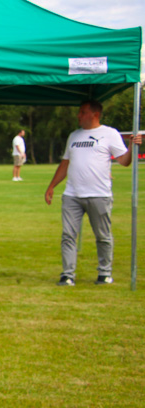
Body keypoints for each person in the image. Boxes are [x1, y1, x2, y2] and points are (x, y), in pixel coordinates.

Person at [44, 100, 141, 286]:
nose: (78, 115)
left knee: (103, 236)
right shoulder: (73, 136)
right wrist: (52, 186)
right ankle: (67, 275)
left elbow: (124, 161)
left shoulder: (109, 134)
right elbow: (65, 163)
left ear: (94, 114)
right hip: (72, 195)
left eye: (82, 112)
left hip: (99, 195)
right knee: (68, 236)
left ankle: (104, 273)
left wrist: (131, 148)